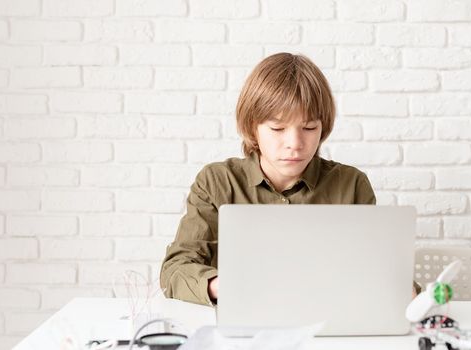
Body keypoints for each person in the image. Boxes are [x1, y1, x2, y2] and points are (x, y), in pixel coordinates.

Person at [160, 52, 378, 306]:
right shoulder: (217, 182)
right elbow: (174, 271)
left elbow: (376, 270)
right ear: (253, 127)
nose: (295, 144)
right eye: (277, 129)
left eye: (309, 128)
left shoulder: (352, 185)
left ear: (323, 127)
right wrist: (224, 285)